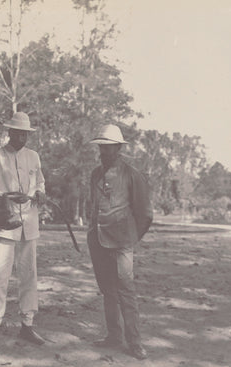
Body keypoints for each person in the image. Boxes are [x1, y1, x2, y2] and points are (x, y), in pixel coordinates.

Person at [0, 111, 47, 346]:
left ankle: (27, 324)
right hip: (5, 224)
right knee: (0, 275)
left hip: (29, 223)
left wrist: (39, 193)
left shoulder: (34, 157)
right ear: (9, 132)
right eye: (18, 133)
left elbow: (40, 183)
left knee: (29, 274)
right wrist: (4, 196)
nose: (22, 138)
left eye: (25, 134)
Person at [87, 124, 153, 360]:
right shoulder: (95, 174)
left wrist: (131, 239)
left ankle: (135, 342)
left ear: (119, 149)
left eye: (109, 148)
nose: (104, 152)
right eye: (101, 147)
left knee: (126, 291)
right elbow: (93, 207)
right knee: (107, 290)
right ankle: (114, 336)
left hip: (122, 242)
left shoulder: (132, 175)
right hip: (98, 241)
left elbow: (145, 214)